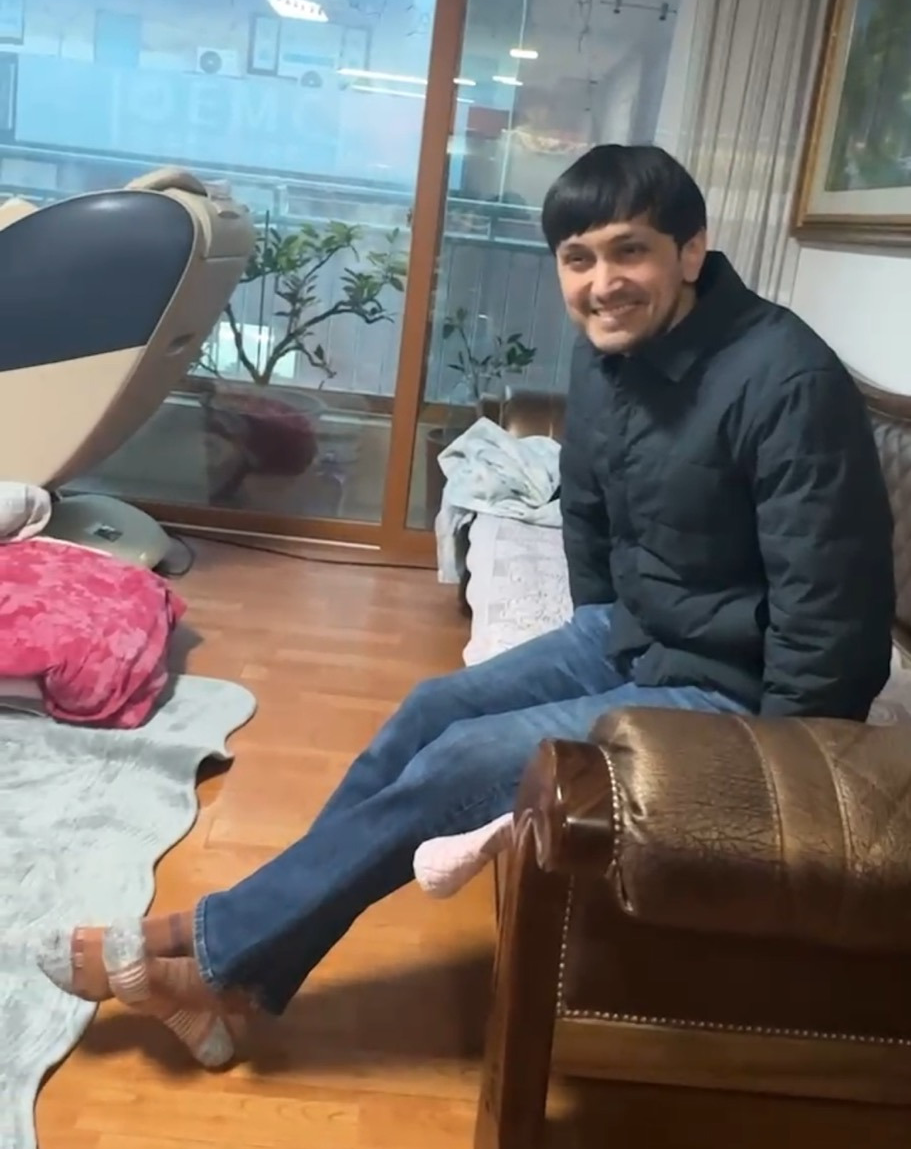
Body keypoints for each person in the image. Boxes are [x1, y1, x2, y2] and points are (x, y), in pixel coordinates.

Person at [40, 144, 895, 1066]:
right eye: (578, 259)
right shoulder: (609, 355)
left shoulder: (785, 381)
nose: (602, 283)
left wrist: (776, 774)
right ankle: (242, 959)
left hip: (736, 686)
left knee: (464, 758)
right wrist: (597, 626)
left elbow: (831, 616)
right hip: (635, 632)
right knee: (428, 710)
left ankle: (212, 953)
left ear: (690, 251)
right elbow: (589, 515)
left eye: (630, 251)